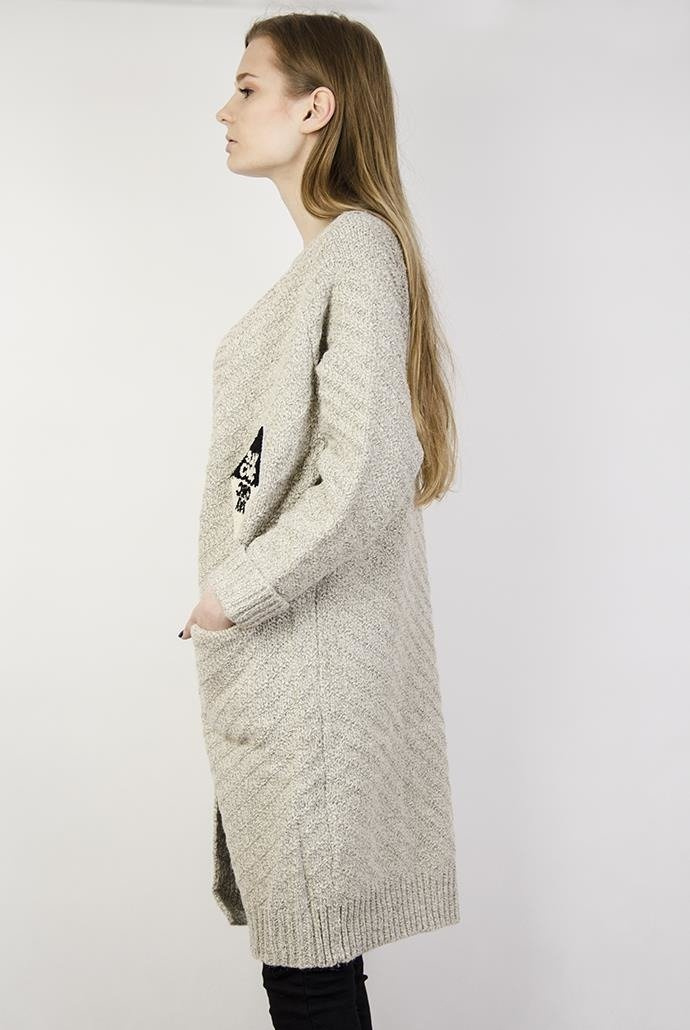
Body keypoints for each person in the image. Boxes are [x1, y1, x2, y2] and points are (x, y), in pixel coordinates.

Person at [180, 12, 461, 1029]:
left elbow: (368, 471)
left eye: (247, 86)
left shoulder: (356, 252)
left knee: (309, 979)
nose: (225, 107)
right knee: (311, 972)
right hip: (294, 672)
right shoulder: (336, 262)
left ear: (316, 108)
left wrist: (233, 593)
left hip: (309, 680)